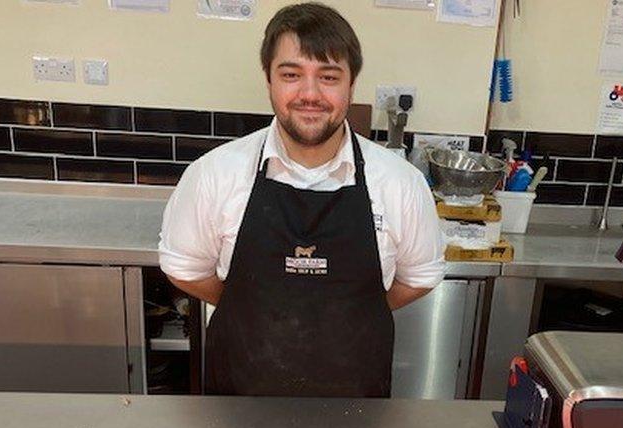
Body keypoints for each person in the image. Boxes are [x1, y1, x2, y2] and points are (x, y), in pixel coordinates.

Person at [158, 2, 445, 398]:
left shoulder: (400, 184)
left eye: (328, 76)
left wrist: (351, 313)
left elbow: (418, 278)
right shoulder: (214, 175)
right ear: (269, 80)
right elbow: (184, 269)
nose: (310, 94)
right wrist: (250, 308)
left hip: (357, 419)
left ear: (351, 85)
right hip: (238, 411)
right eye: (292, 74)